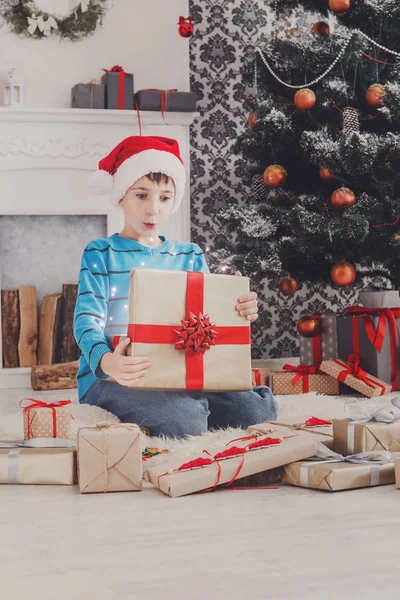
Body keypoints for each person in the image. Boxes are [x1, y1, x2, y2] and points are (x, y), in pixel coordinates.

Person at [73, 136, 277, 438]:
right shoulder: (100, 252)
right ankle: (188, 409)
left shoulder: (190, 255)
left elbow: (209, 324)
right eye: (142, 195)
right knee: (185, 422)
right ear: (121, 197)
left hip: (184, 374)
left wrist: (238, 309)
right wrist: (107, 361)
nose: (153, 209)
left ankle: (191, 404)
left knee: (258, 412)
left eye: (164, 198)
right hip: (115, 377)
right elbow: (86, 321)